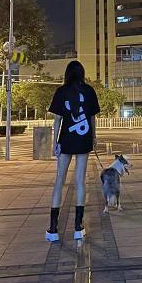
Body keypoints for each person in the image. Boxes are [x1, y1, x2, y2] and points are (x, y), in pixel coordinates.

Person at [45, 60, 100, 242]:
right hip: (83, 139)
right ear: (82, 73)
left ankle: (53, 229)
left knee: (59, 180)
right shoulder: (89, 91)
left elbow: (57, 120)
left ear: (67, 74)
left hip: (66, 140)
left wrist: (55, 142)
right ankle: (78, 227)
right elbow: (92, 118)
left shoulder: (61, 91)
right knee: (80, 180)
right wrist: (93, 137)